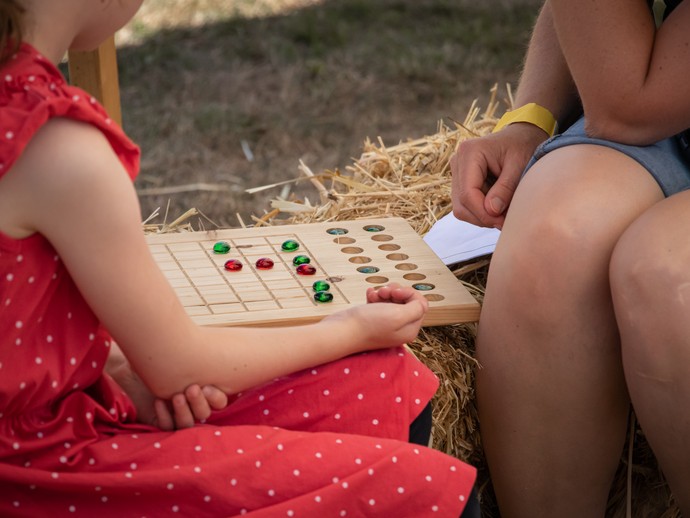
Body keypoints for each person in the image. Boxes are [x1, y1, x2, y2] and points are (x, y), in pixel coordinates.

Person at [0, 0, 479, 515]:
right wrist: (353, 326)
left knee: (384, 381)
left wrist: (117, 368)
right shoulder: (60, 148)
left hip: (59, 411)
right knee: (427, 489)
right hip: (45, 465)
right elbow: (179, 368)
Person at [450, 0, 690, 516]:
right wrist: (532, 116)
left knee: (669, 276)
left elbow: (627, 106)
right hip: (669, 106)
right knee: (556, 240)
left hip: (651, 100)